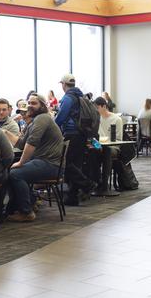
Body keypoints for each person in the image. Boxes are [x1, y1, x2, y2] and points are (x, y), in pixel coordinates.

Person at [3, 93, 64, 222]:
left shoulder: (42, 118)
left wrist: (21, 162)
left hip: (50, 164)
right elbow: (21, 144)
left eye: (34, 103)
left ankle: (26, 212)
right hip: (45, 162)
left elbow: (32, 143)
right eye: (29, 103)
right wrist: (5, 132)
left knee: (15, 174)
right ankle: (29, 202)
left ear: (42, 105)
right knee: (11, 171)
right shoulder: (35, 121)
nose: (30, 105)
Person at [54, 74, 96, 206]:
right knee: (76, 165)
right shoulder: (80, 95)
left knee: (67, 164)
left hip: (72, 133)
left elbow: (61, 117)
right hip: (82, 133)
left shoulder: (68, 98)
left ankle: (87, 184)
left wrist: (52, 128)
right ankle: (72, 197)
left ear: (64, 85)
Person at [87, 97, 123, 190]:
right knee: (91, 152)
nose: (96, 110)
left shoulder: (116, 119)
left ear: (104, 106)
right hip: (99, 145)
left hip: (113, 147)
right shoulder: (96, 119)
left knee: (107, 150)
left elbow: (118, 140)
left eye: (97, 108)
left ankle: (104, 184)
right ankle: (95, 181)